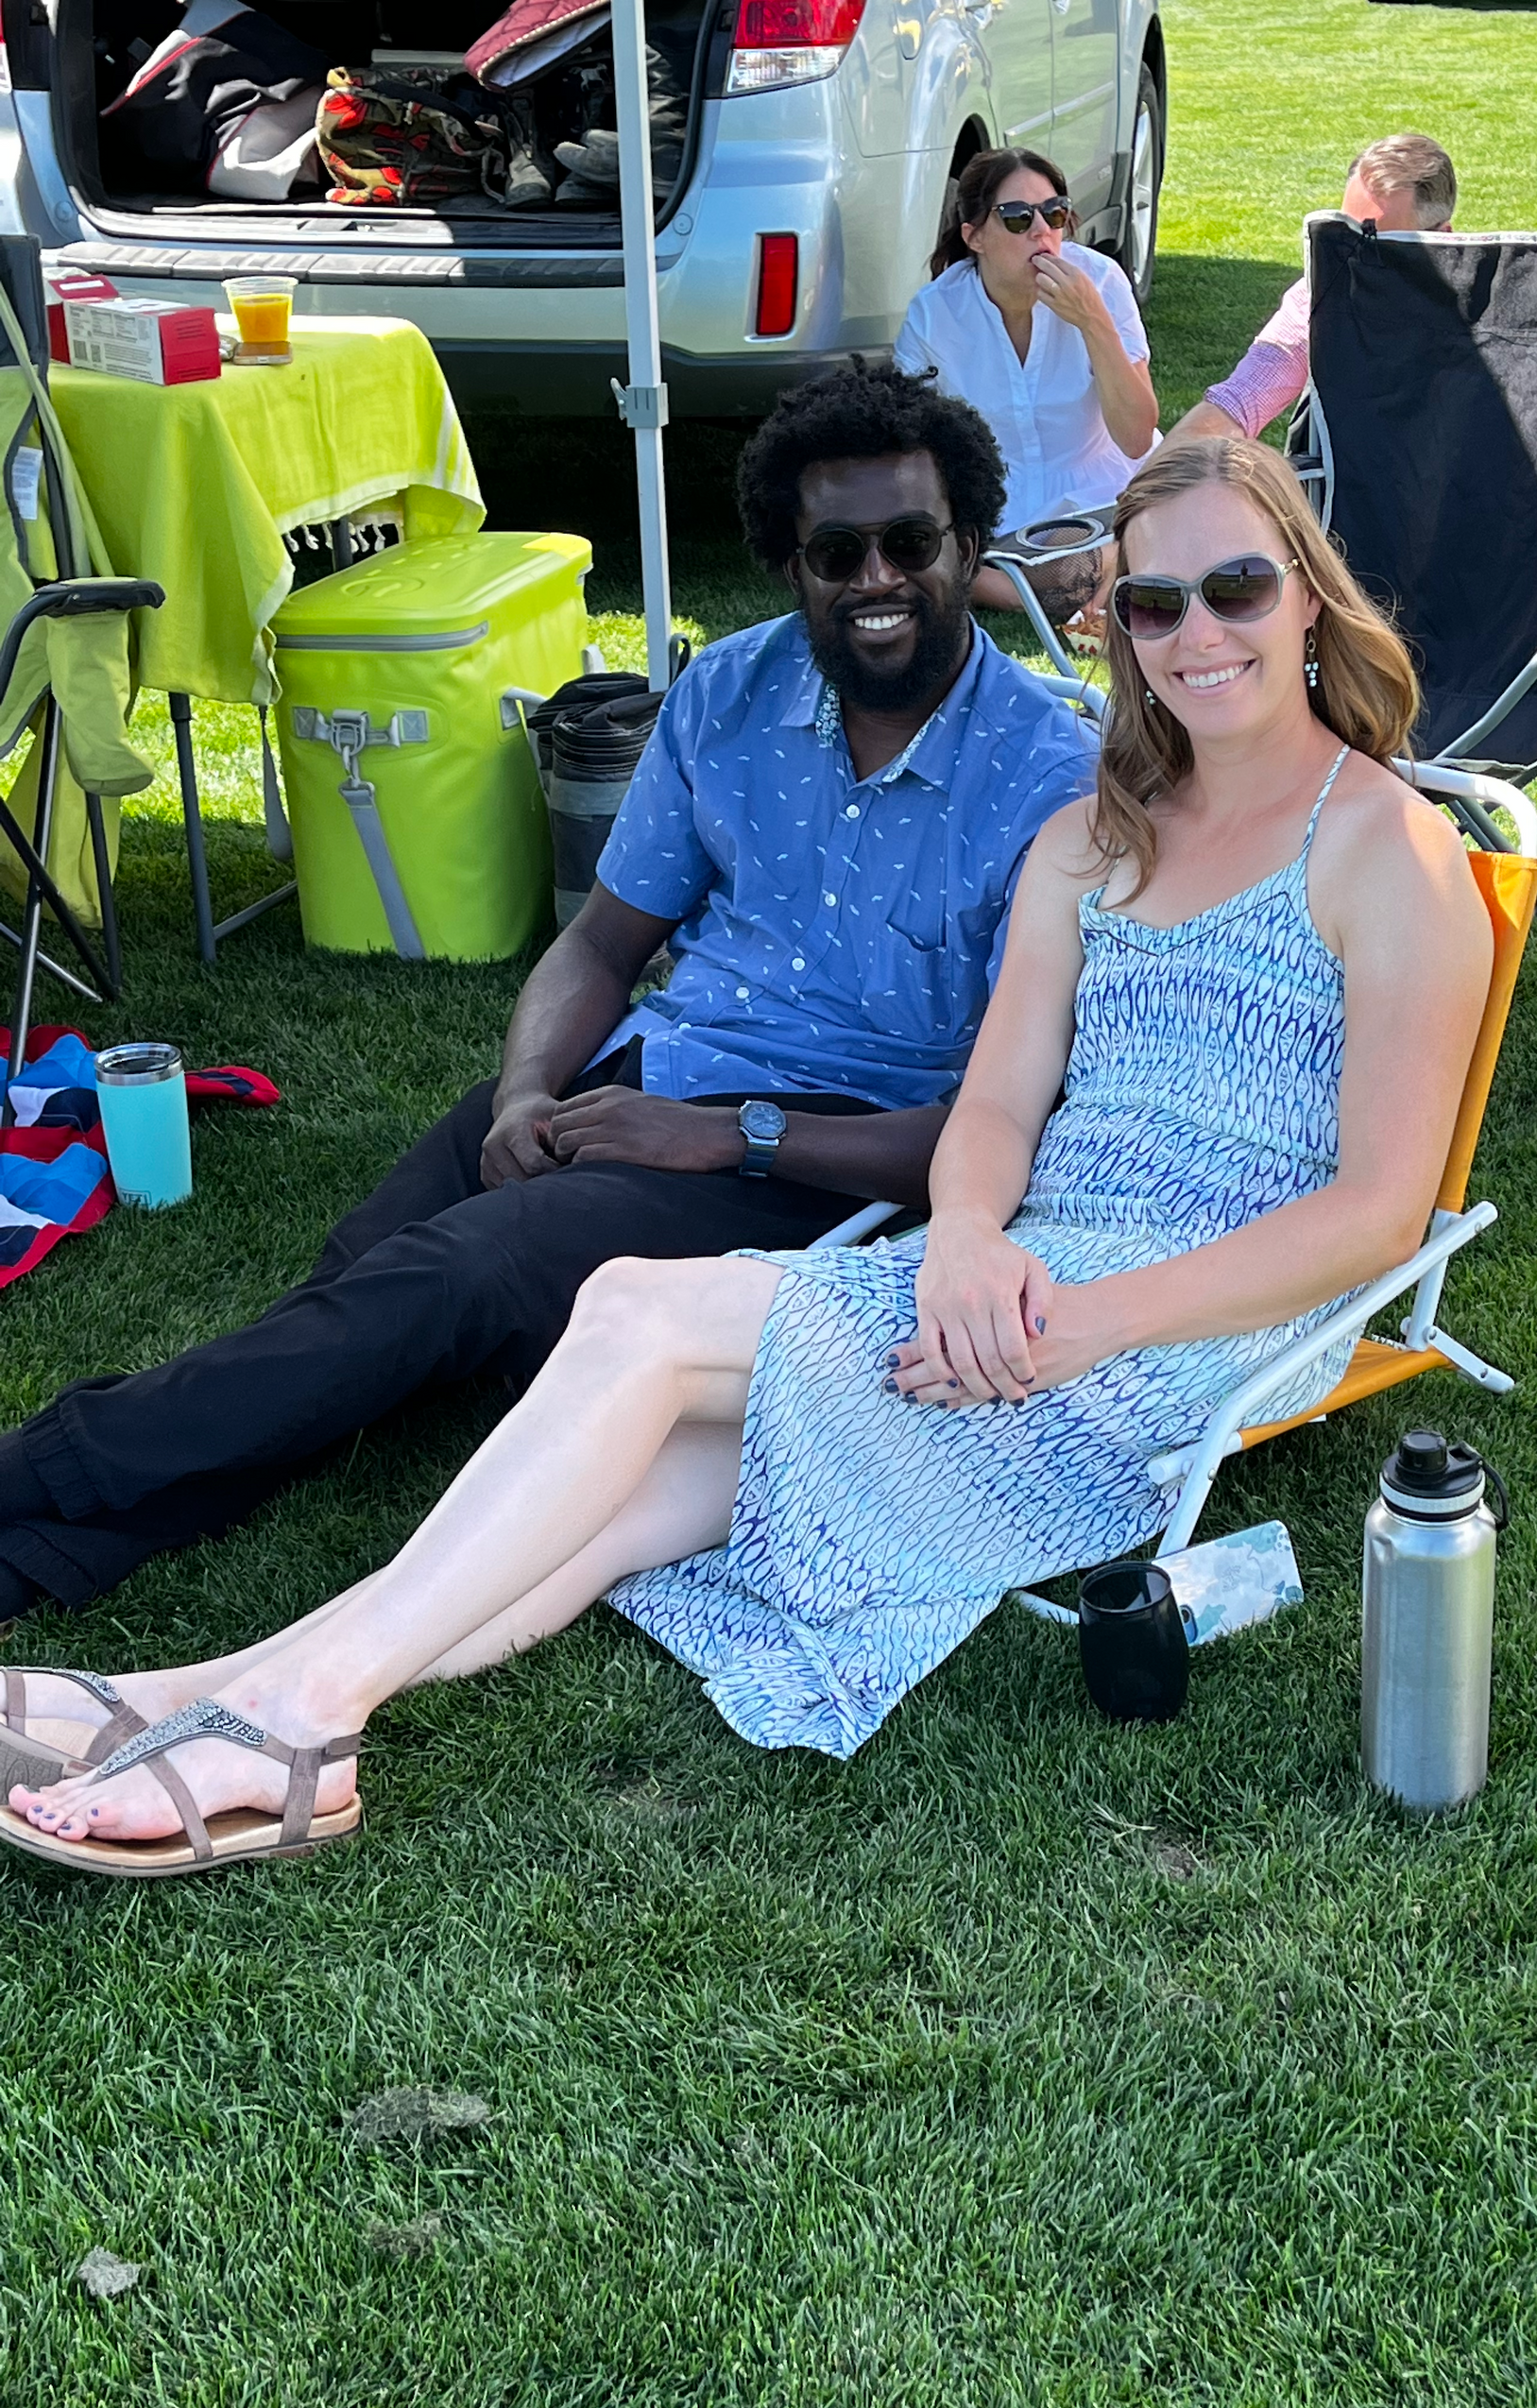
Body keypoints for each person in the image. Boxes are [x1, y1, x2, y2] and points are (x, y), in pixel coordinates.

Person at [3, 434, 1497, 1875]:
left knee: (639, 1313)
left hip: (1194, 1324)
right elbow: (993, 1115)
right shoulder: (1097, 838)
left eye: (1235, 588)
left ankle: (297, 1726)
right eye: (1156, 602)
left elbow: (1375, 1212)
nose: (1195, 634)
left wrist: (1074, 1322)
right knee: (625, 1478)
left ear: (1307, 592)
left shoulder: (1386, 849)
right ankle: (208, 1693)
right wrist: (972, 1246)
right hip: (1012, 1275)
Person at [0, 363, 1099, 1649]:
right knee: (360, 1291)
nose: (873, 580)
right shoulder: (728, 694)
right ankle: (72, 1544)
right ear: (787, 562)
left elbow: (1010, 1121)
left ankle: (37, 1475)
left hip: (816, 1160)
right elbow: (599, 943)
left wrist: (732, 1135)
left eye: (910, 543)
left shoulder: (1051, 776)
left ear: (966, 544)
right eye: (834, 551)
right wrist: (527, 1092)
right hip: (632, 1091)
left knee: (449, 1276)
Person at [895, 146, 1158, 633]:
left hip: (1102, 492)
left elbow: (1137, 437)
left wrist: (1093, 321)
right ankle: (1100, 571)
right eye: (1017, 218)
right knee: (913, 547)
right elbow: (915, 455)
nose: (1043, 231)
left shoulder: (1100, 282)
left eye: (1055, 213)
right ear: (975, 237)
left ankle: (1075, 575)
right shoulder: (935, 316)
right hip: (996, 509)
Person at [1165, 133, 1457, 450]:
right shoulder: (1321, 296)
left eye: (1378, 246)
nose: (1354, 262)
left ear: (1444, 241)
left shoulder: (1492, 310)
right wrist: (1168, 467)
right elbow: (1242, 399)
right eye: (1345, 237)